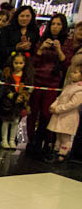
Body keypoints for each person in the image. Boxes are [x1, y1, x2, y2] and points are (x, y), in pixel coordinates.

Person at [27, 13, 72, 157]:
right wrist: (40, 49)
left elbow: (67, 65)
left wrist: (59, 51)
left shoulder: (67, 43)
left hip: (52, 84)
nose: (55, 27)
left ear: (63, 26)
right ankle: (31, 141)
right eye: (53, 24)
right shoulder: (42, 40)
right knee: (32, 113)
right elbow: (33, 63)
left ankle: (45, 142)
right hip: (37, 81)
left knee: (47, 114)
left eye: (59, 24)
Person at [47, 64, 82, 163]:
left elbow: (73, 104)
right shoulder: (68, 86)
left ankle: (63, 154)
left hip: (69, 116)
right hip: (60, 114)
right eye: (72, 72)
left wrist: (58, 109)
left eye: (75, 72)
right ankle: (55, 151)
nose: (72, 74)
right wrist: (53, 106)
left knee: (65, 137)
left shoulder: (80, 89)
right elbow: (60, 97)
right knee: (58, 135)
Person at [0, 52, 32, 149]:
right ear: (12, 62)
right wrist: (13, 96)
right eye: (16, 63)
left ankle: (12, 140)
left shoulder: (26, 76)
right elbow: (5, 88)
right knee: (5, 121)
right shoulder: (7, 74)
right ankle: (4, 140)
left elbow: (29, 88)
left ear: (25, 64)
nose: (18, 65)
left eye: (21, 63)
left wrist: (22, 97)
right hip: (8, 101)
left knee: (15, 122)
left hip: (19, 103)